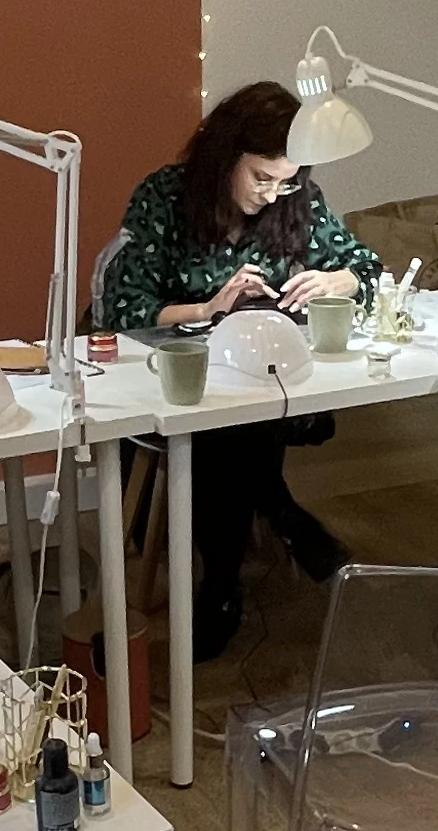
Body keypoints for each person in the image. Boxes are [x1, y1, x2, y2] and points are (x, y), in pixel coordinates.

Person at [99, 81, 383, 661]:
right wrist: (208, 309)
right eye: (261, 178)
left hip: (257, 374)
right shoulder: (166, 197)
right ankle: (259, 536)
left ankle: (230, 575)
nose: (275, 194)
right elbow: (126, 310)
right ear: (225, 155)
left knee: (244, 416)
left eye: (287, 181)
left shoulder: (297, 196)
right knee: (226, 429)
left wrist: (334, 281)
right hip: (169, 375)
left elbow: (366, 268)